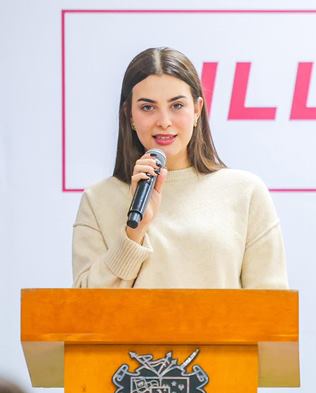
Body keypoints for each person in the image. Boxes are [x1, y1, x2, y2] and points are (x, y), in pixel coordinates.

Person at [72, 47, 288, 289]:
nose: (164, 121)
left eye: (176, 106)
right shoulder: (97, 200)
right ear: (129, 115)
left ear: (197, 110)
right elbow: (86, 305)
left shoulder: (246, 192)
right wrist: (134, 232)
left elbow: (271, 304)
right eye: (147, 107)